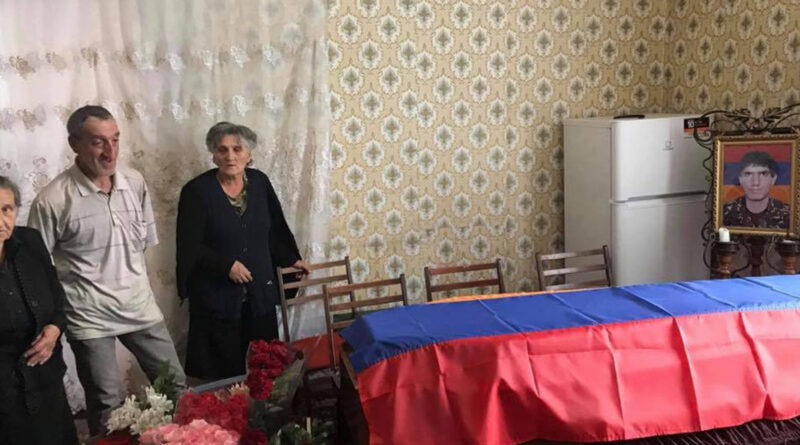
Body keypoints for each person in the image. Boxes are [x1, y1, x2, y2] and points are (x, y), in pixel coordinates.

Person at [27, 105, 186, 436]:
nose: (110, 151)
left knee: (176, 388)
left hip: (139, 306)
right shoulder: (53, 199)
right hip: (89, 318)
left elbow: (140, 245)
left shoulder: (134, 182)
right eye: (98, 142)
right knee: (106, 405)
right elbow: (37, 269)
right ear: (74, 144)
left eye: (115, 139)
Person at [177, 122, 309, 380]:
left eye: (237, 149)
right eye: (222, 149)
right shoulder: (196, 192)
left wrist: (292, 259)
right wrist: (225, 265)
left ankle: (265, 405)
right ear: (213, 154)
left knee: (264, 366)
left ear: (249, 154)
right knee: (225, 372)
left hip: (258, 291)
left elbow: (274, 230)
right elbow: (189, 246)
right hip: (218, 298)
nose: (230, 156)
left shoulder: (259, 183)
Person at [0, 176, 78, 444]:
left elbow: (57, 297)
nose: (1, 220)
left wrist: (55, 328)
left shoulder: (30, 242)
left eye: (6, 209)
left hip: (46, 381)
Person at [722, 151, 790, 229]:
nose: (755, 183)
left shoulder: (790, 215)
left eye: (763, 174)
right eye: (748, 174)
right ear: (740, 179)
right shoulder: (723, 213)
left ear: (773, 179)